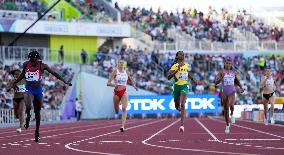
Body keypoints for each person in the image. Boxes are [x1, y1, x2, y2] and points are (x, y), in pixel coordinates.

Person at [11, 50, 72, 142]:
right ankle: (27, 119)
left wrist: (64, 81)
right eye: (30, 60)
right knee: (28, 105)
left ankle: (37, 132)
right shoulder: (26, 64)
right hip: (29, 89)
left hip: (38, 91)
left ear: (37, 59)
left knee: (37, 112)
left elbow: (54, 73)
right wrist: (15, 82)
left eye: (33, 60)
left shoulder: (42, 65)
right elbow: (23, 74)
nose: (32, 62)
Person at [167, 51, 199, 133]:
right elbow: (168, 77)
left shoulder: (186, 65)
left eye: (183, 54)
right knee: (177, 106)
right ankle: (179, 108)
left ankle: (182, 125)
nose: (183, 55)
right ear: (177, 57)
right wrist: (176, 70)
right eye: (180, 54)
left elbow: (186, 73)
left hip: (184, 86)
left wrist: (193, 79)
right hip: (176, 86)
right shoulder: (174, 66)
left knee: (183, 104)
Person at [107, 59, 138, 132]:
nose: (121, 64)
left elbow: (131, 80)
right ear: (118, 64)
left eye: (122, 63)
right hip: (116, 92)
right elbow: (108, 83)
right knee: (117, 111)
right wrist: (114, 85)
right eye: (120, 62)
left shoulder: (126, 72)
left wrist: (134, 86)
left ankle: (122, 126)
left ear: (124, 64)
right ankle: (118, 103)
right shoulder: (115, 72)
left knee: (124, 109)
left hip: (124, 91)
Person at [215, 57, 244, 134]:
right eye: (227, 63)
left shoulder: (233, 72)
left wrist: (241, 87)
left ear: (231, 64)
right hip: (224, 92)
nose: (228, 65)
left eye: (229, 63)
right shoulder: (221, 72)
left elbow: (237, 81)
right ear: (224, 64)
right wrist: (221, 78)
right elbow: (216, 83)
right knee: (226, 109)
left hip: (232, 91)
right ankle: (227, 125)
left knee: (231, 105)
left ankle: (232, 114)